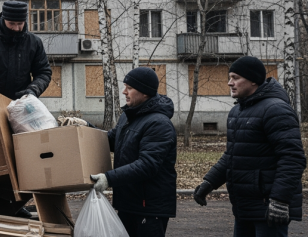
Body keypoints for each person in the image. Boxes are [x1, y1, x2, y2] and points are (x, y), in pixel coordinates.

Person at [193, 56, 306, 237]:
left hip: (268, 205)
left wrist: (279, 200)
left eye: (236, 77)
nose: (230, 83)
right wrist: (210, 182)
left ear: (253, 80)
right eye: (229, 77)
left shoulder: (275, 109)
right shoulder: (238, 111)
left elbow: (292, 158)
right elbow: (233, 155)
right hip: (245, 204)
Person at [90, 67, 177, 237]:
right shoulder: (129, 116)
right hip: (128, 203)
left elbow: (147, 165)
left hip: (149, 208)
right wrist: (84, 127)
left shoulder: (159, 123)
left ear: (145, 92)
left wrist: (109, 178)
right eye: (125, 87)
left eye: (129, 88)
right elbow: (111, 140)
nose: (124, 92)